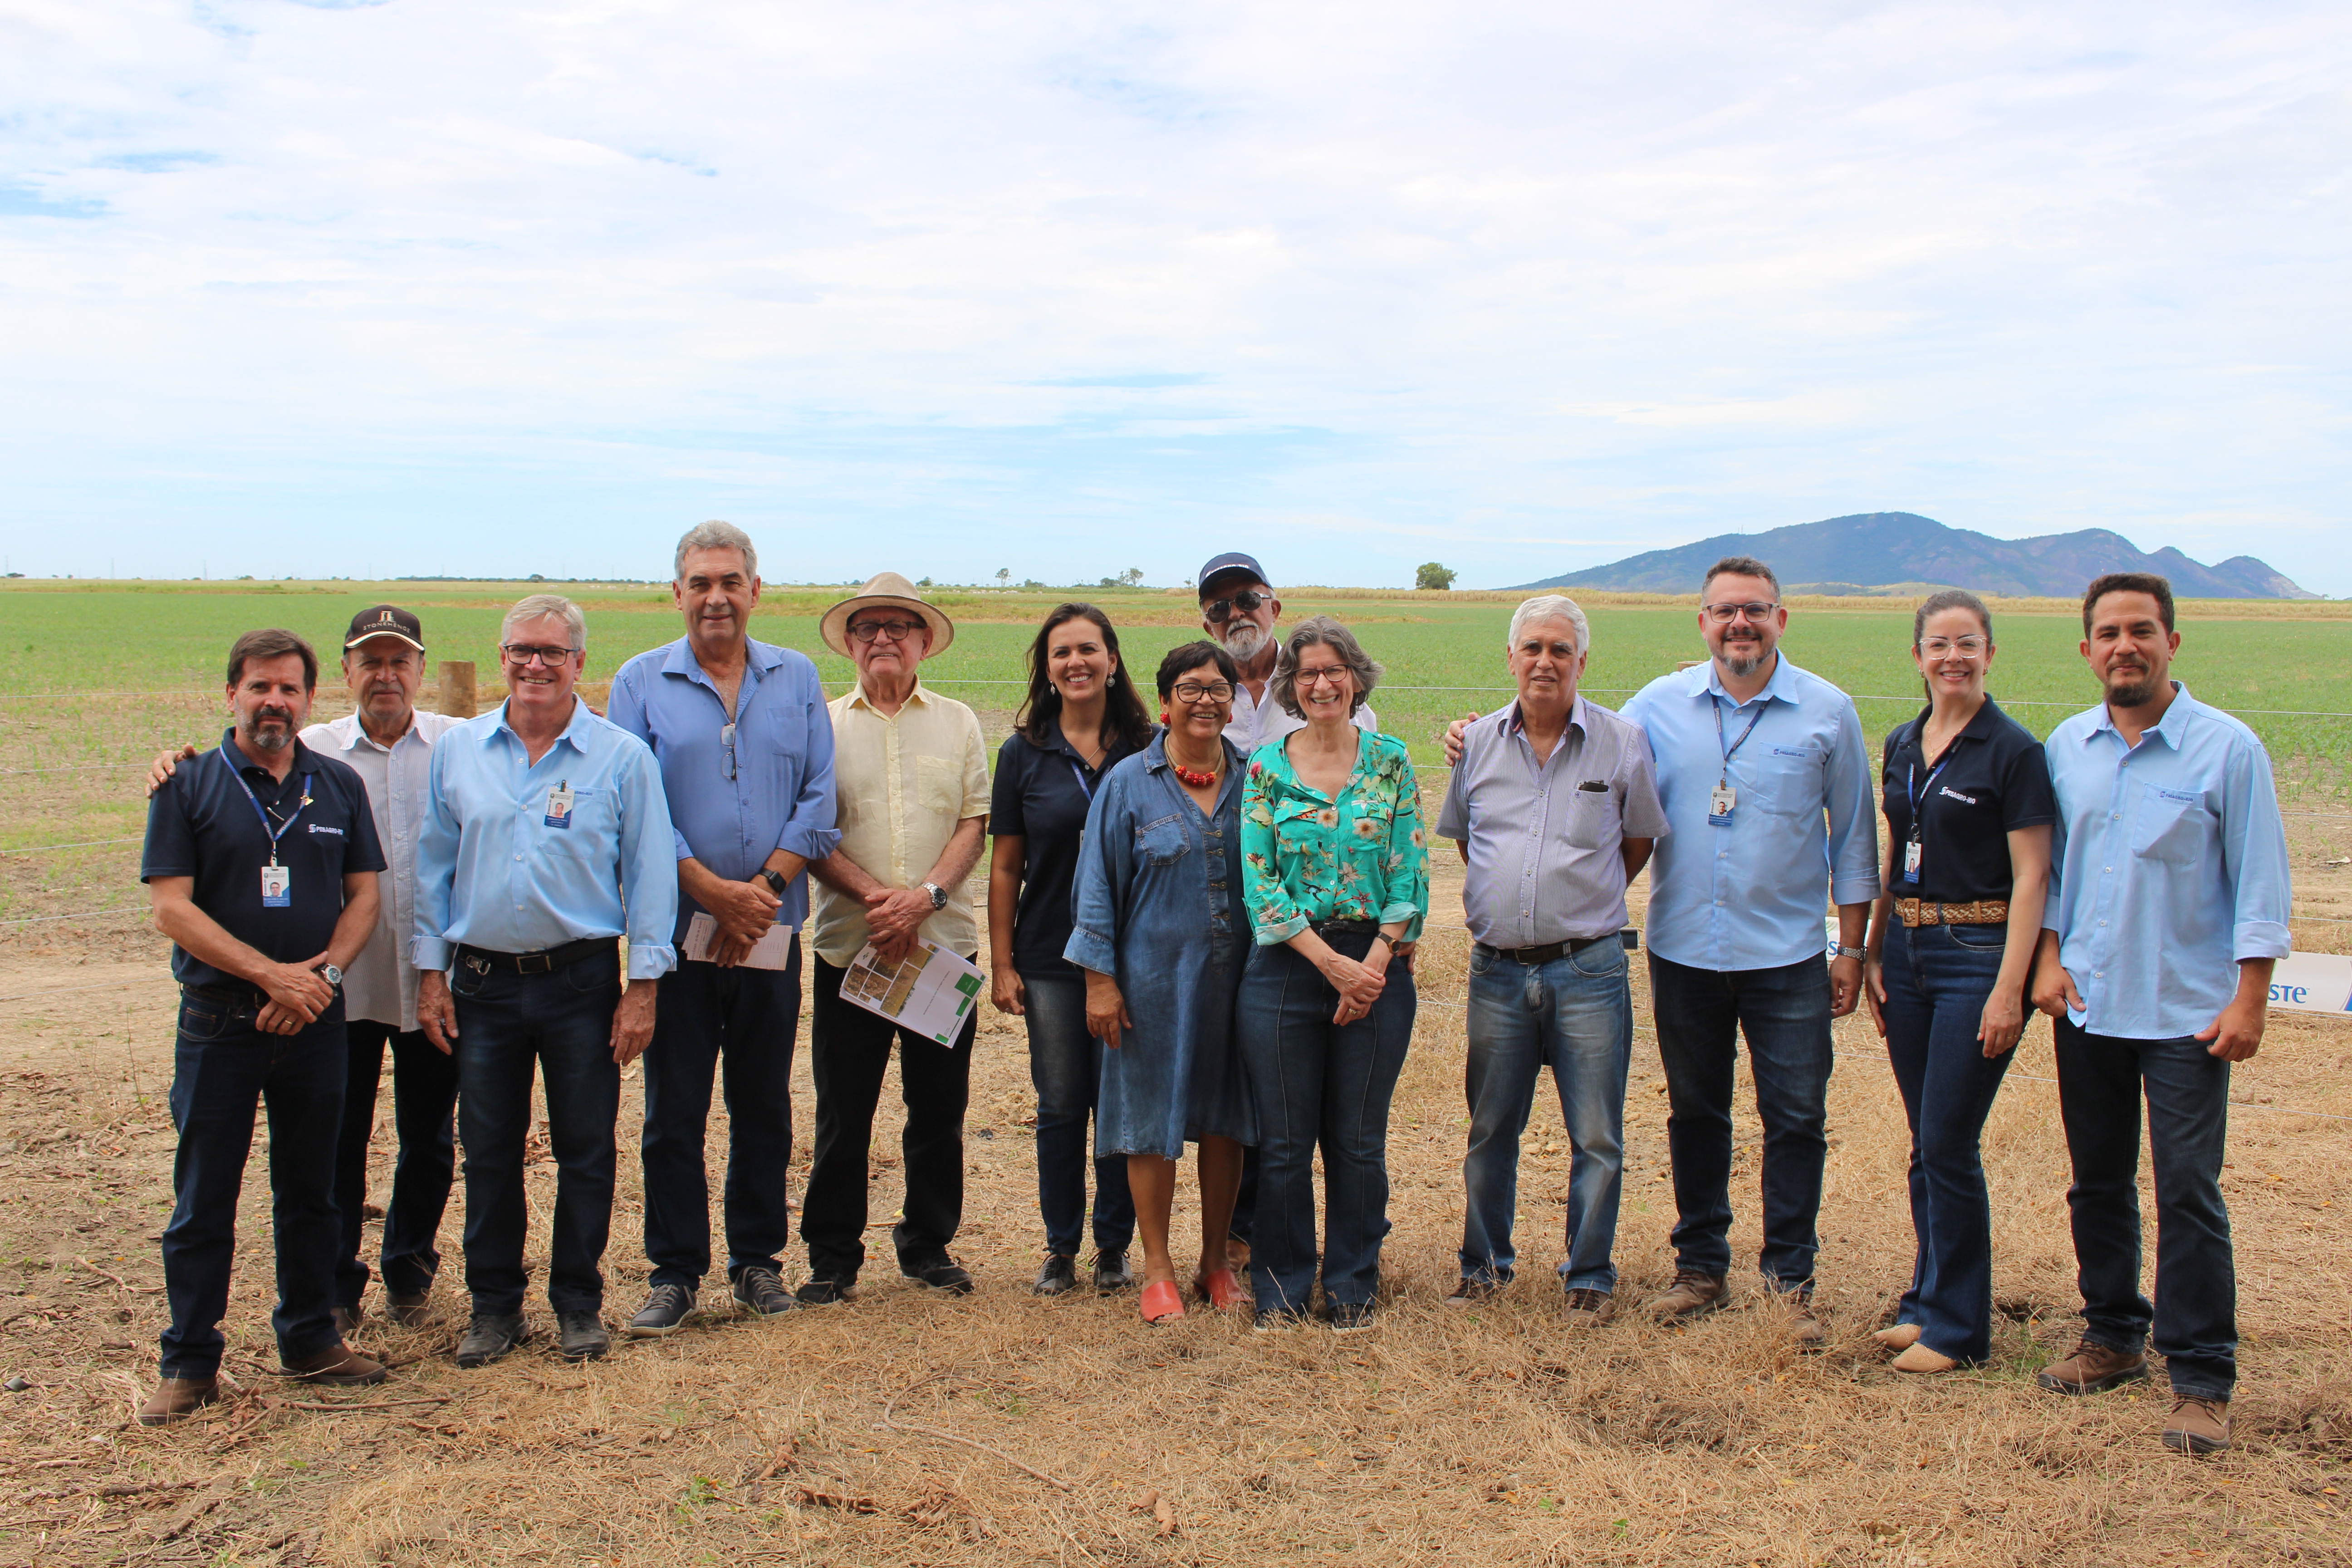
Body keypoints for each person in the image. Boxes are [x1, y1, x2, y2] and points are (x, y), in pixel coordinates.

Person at [146, 605, 465, 1335]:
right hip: (327, 996)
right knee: (329, 1150)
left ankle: (405, 1274)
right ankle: (329, 1290)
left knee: (428, 1136)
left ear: (419, 670)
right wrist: (170, 763)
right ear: (345, 674)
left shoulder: (455, 745)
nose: (386, 675)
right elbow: (176, 895)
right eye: (369, 661)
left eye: (400, 661)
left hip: (422, 977)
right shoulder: (302, 750)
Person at [2029, 573, 2291, 1455]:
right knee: (2097, 1182)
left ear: (2172, 642)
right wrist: (2051, 962)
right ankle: (2111, 1336)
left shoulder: (2228, 750)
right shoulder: (2070, 746)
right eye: (2108, 633)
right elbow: (2059, 873)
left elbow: (2259, 882)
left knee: (2187, 1192)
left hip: (2187, 1013)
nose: (2124, 646)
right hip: (2090, 1005)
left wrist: (2250, 995)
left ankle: (2202, 1376)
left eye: (2141, 630)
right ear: (2087, 649)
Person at [1615, 556, 1878, 1346]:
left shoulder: (1829, 712)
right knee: (1697, 1113)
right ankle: (1700, 1267)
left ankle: (1788, 1281)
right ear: (1702, 622)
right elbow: (1576, 741)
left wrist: (1853, 949)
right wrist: (1474, 732)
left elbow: (1856, 839)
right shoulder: (1656, 706)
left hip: (1789, 956)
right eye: (1726, 611)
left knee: (1795, 1117)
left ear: (1781, 621)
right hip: (1685, 949)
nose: (1741, 625)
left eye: (1756, 611)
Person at [414, 594, 679, 1367]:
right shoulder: (459, 753)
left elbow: (650, 874)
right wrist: (432, 975)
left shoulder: (621, 758)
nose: (535, 665)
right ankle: (494, 1309)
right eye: (521, 651)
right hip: (484, 987)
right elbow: (433, 869)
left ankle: (577, 1304)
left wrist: (644, 985)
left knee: (586, 1148)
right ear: (501, 658)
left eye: (552, 654)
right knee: (488, 1150)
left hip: (581, 983)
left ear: (578, 665)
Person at [137, 628, 390, 1423]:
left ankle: (312, 1339)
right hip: (221, 1021)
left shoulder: (338, 786)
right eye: (259, 688)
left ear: (311, 700)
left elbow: (365, 899)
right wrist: (267, 975)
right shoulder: (188, 785)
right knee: (205, 1193)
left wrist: (319, 980)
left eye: (289, 689)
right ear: (231, 695)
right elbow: (171, 907)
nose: (274, 701)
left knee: (313, 1191)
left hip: (315, 1022)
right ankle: (189, 1361)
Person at [607, 522, 839, 1336]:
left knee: (763, 1100)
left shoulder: (797, 676)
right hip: (675, 934)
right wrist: (712, 893)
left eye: (730, 581)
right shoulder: (638, 683)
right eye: (700, 583)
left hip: (770, 931)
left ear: (755, 590)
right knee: (675, 1106)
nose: (716, 597)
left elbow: (819, 796)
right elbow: (635, 810)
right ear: (677, 594)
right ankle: (675, 1272)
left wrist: (765, 890)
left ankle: (757, 1263)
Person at [1436, 595, 1666, 1321]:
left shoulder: (1622, 742)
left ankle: (1588, 1276)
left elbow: (1637, 841)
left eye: (1560, 650)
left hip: (1590, 968)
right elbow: (1470, 843)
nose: (1545, 661)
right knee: (1490, 1128)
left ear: (1582, 662)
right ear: (1511, 658)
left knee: (1596, 1133)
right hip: (1497, 970)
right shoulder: (1474, 745)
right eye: (1532, 648)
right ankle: (1484, 1267)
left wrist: (1581, 902)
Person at [1859, 590, 2053, 1373]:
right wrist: (1873, 951)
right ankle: (1926, 1301)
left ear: (1990, 654)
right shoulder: (1904, 744)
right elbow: (1893, 846)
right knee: (1923, 1143)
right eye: (1938, 645)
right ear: (1917, 657)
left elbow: (2035, 874)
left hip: (1979, 952)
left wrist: (2011, 987)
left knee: (1948, 1140)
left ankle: (1960, 1331)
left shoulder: (2014, 751)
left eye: (1967, 644)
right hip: (1906, 953)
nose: (1953, 658)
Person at [799, 573, 991, 1303]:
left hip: (942, 946)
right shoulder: (821, 723)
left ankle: (928, 1243)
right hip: (854, 946)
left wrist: (926, 898)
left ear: (922, 642)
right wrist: (880, 901)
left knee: (939, 1108)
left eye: (898, 626)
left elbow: (974, 820)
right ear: (850, 643)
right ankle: (832, 1257)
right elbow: (810, 831)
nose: (882, 638)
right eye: (867, 627)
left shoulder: (960, 721)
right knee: (845, 1111)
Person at [1238, 617, 1429, 1332]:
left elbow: (1411, 872)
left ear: (1355, 678)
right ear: (1291, 685)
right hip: (1287, 966)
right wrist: (1331, 966)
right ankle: (1281, 1292)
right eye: (1308, 672)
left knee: (1356, 1139)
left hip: (1377, 968)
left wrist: (1372, 967)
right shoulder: (1266, 768)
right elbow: (1259, 880)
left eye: (1334, 670)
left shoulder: (1391, 762)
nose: (1322, 683)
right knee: (1285, 1142)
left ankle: (1352, 1286)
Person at [1195, 551, 1380, 1269]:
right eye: (1219, 607)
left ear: (1274, 605)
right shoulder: (1202, 689)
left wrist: (1388, 939)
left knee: (1338, 1113)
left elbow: (1380, 828)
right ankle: (1249, 1239)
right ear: (1204, 621)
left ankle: (1345, 1250)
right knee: (1257, 1086)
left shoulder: (1329, 691)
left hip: (1321, 925)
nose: (1234, 613)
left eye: (1248, 598)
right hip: (1231, 915)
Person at [1065, 642, 1257, 1325]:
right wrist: (1099, 982)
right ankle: (1157, 1269)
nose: (1205, 700)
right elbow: (1095, 889)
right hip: (1148, 986)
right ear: (1167, 699)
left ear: (1234, 702)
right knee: (1150, 1125)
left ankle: (1214, 1261)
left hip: (1239, 985)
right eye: (1189, 688)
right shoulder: (1127, 782)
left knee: (1228, 1122)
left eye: (1218, 688)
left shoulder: (1257, 778)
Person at [987, 603, 1152, 1297]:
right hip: (1050, 958)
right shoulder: (1023, 752)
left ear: (1113, 660)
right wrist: (1001, 962)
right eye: (1062, 653)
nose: (1076, 663)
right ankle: (1060, 1245)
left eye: (1089, 650)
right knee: (1060, 1103)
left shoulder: (1150, 747)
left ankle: (1113, 1246)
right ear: (1047, 668)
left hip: (1135, 957)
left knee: (1119, 1102)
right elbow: (1004, 868)